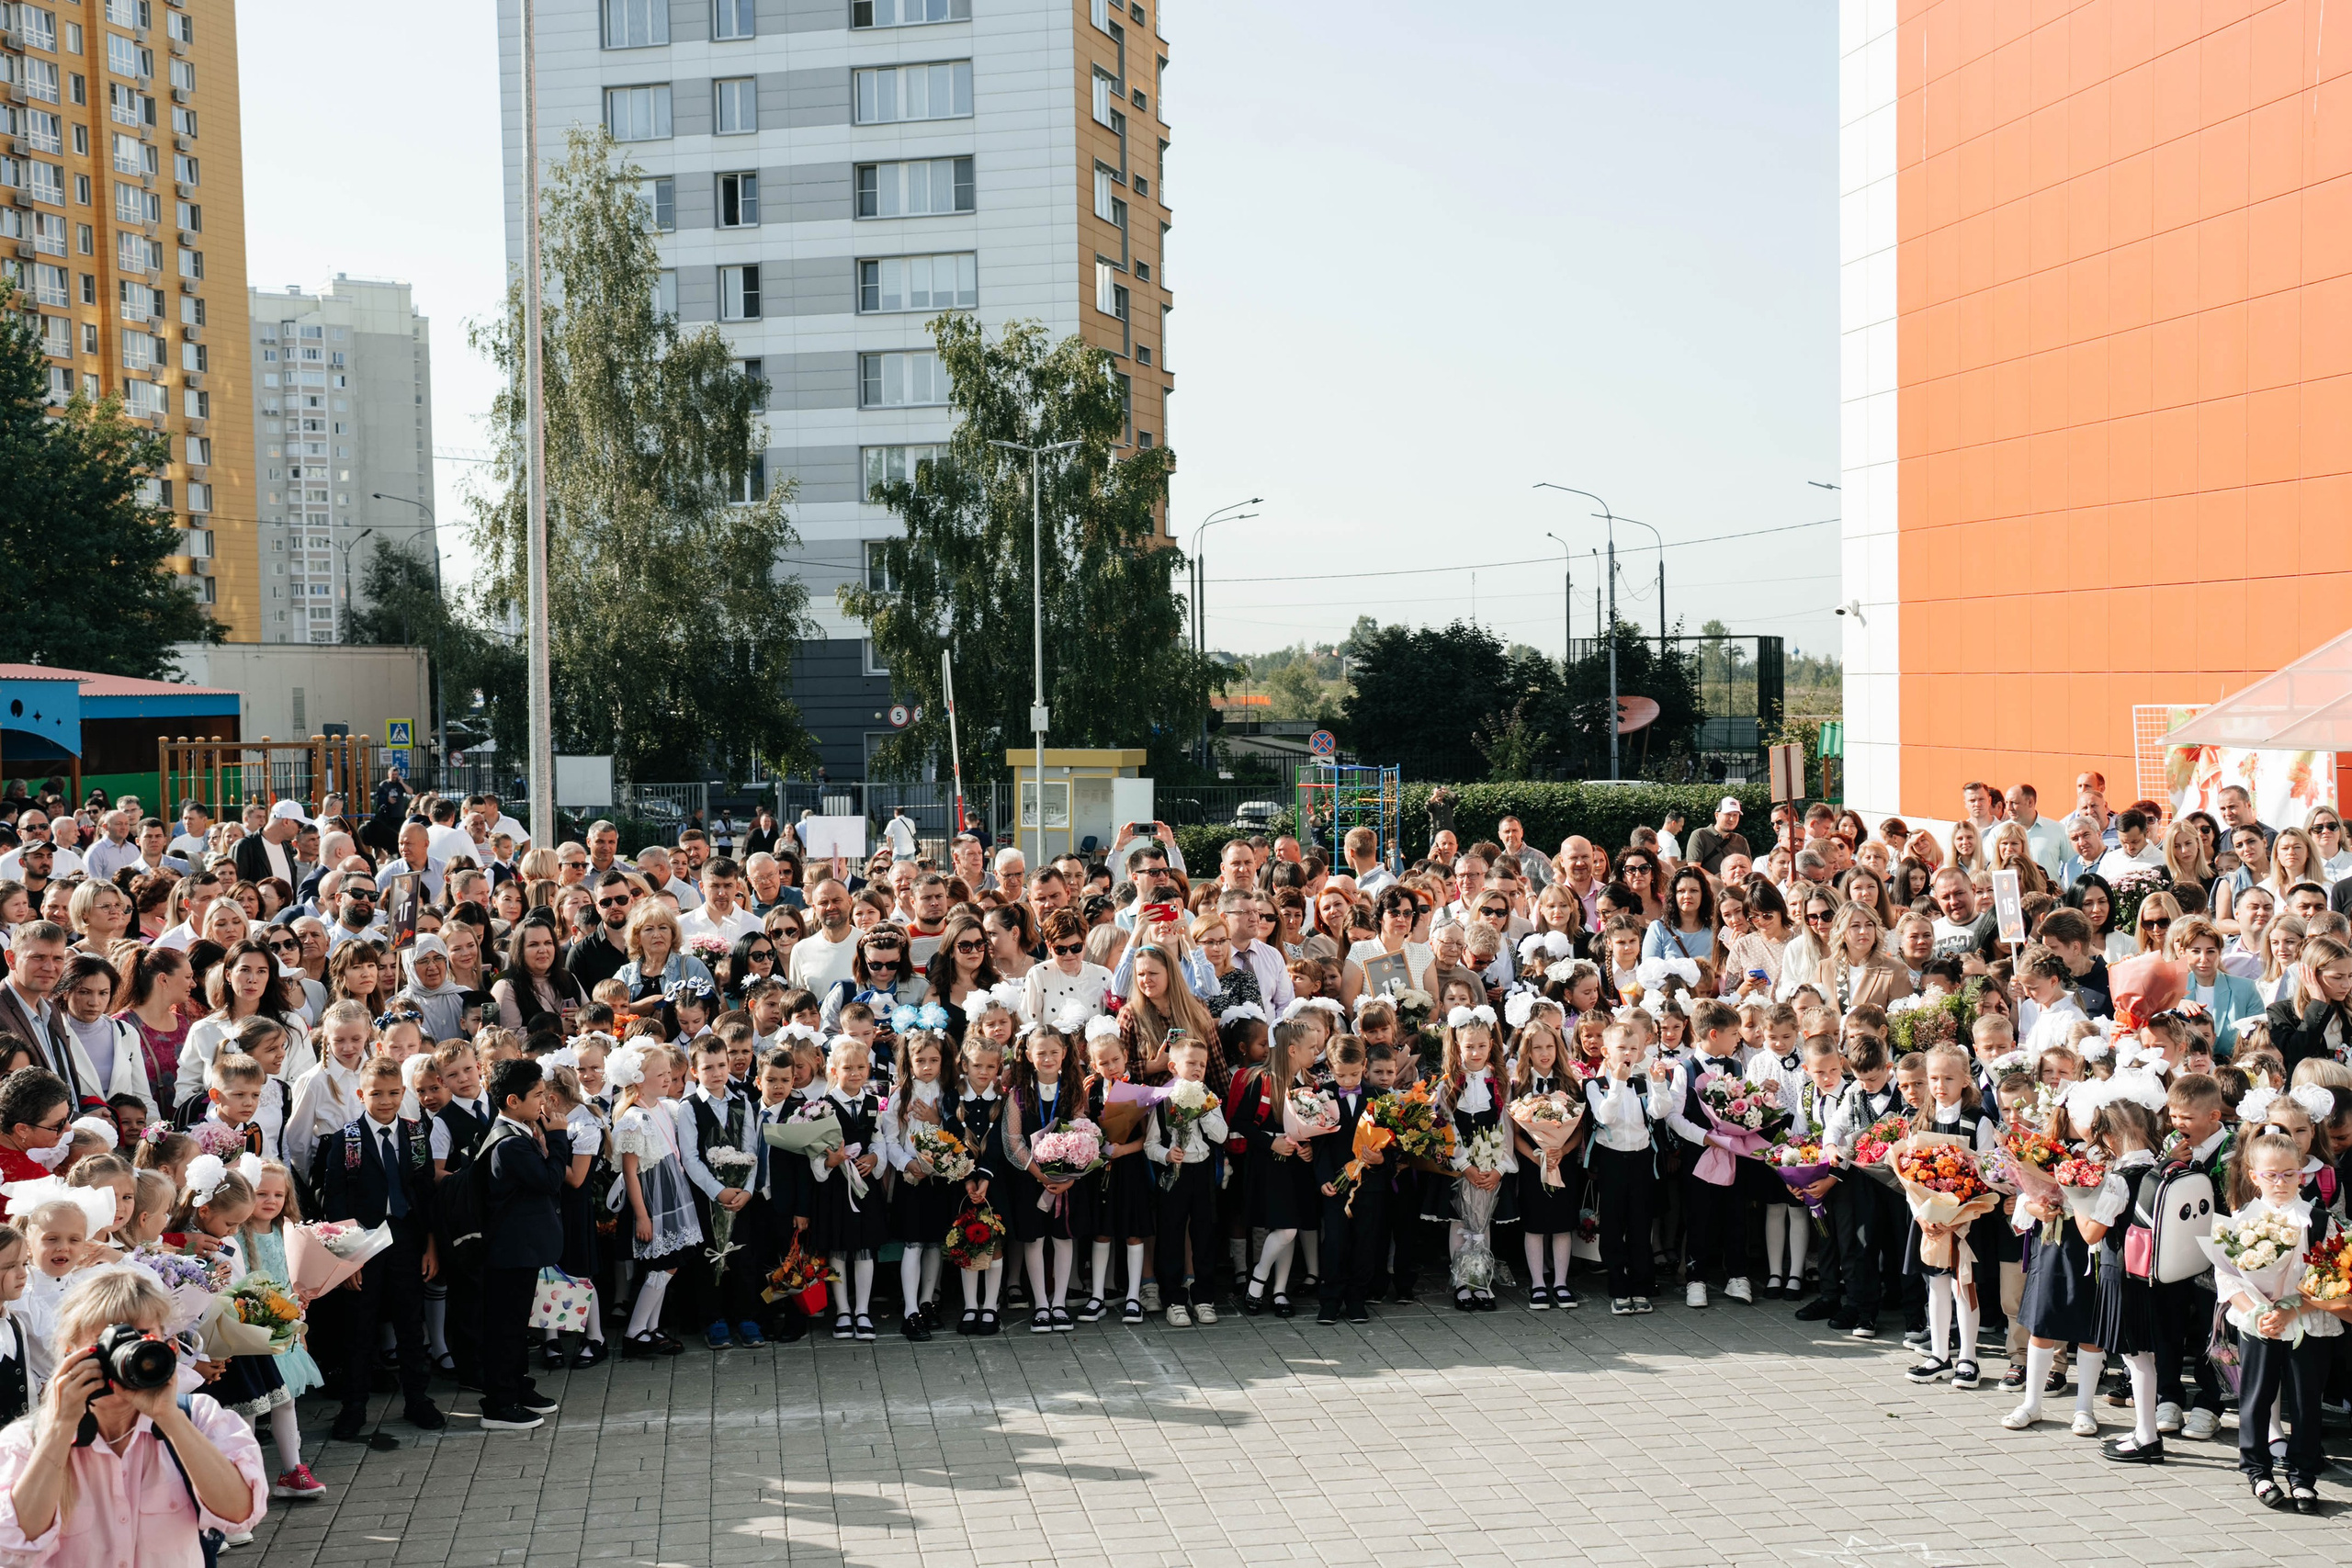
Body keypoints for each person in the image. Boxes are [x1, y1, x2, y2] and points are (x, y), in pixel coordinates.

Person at [0, 1268, 266, 1559]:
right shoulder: (26, 1440)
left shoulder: (198, 1418)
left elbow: (241, 1512)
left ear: (169, 1347)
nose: (123, 1353)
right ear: (69, 1352)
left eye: (140, 1339)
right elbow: (14, 1541)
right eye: (105, 1341)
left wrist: (169, 1417)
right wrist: (61, 1428)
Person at [476, 1056, 571, 1431]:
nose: (544, 1102)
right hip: (508, 1252)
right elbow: (550, 1182)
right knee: (506, 1328)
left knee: (517, 1325)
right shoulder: (508, 1143)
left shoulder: (519, 1133)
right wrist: (560, 1137)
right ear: (513, 1101)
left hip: (520, 1249)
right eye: (537, 1095)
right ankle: (498, 1404)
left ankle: (517, 1386)